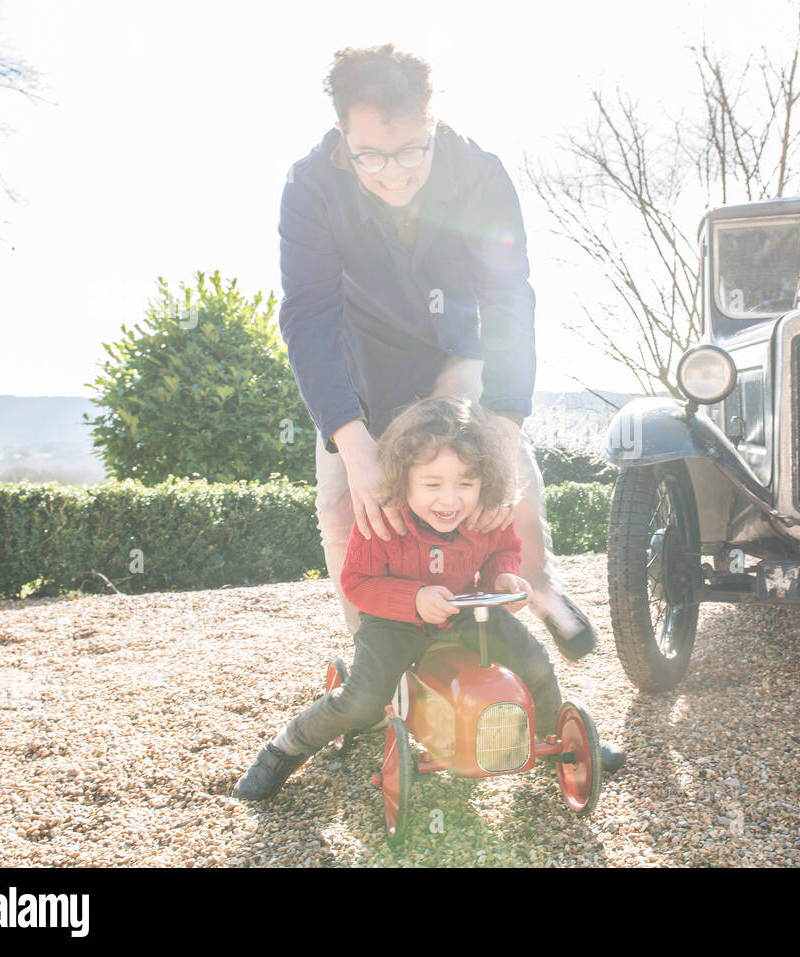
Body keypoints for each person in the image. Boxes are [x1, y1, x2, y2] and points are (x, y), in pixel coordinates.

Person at [276, 43, 596, 662]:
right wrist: (352, 440)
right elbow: (309, 314)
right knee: (348, 507)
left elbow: (506, 295)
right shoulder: (309, 185)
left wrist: (505, 420)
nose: (391, 172)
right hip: (359, 357)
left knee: (499, 462)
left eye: (410, 152)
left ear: (433, 123)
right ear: (343, 131)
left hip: (455, 345)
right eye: (369, 155)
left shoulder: (479, 173)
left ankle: (539, 586)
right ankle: (378, 656)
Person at [233, 398, 624, 801]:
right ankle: (283, 748)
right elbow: (358, 583)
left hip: (465, 610)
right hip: (392, 620)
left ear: (484, 481)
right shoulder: (382, 521)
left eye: (466, 484)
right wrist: (414, 598)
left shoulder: (484, 515)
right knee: (364, 703)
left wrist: (504, 577)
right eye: (433, 484)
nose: (450, 500)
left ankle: (552, 741)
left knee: (535, 664)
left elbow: (502, 551)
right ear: (403, 479)